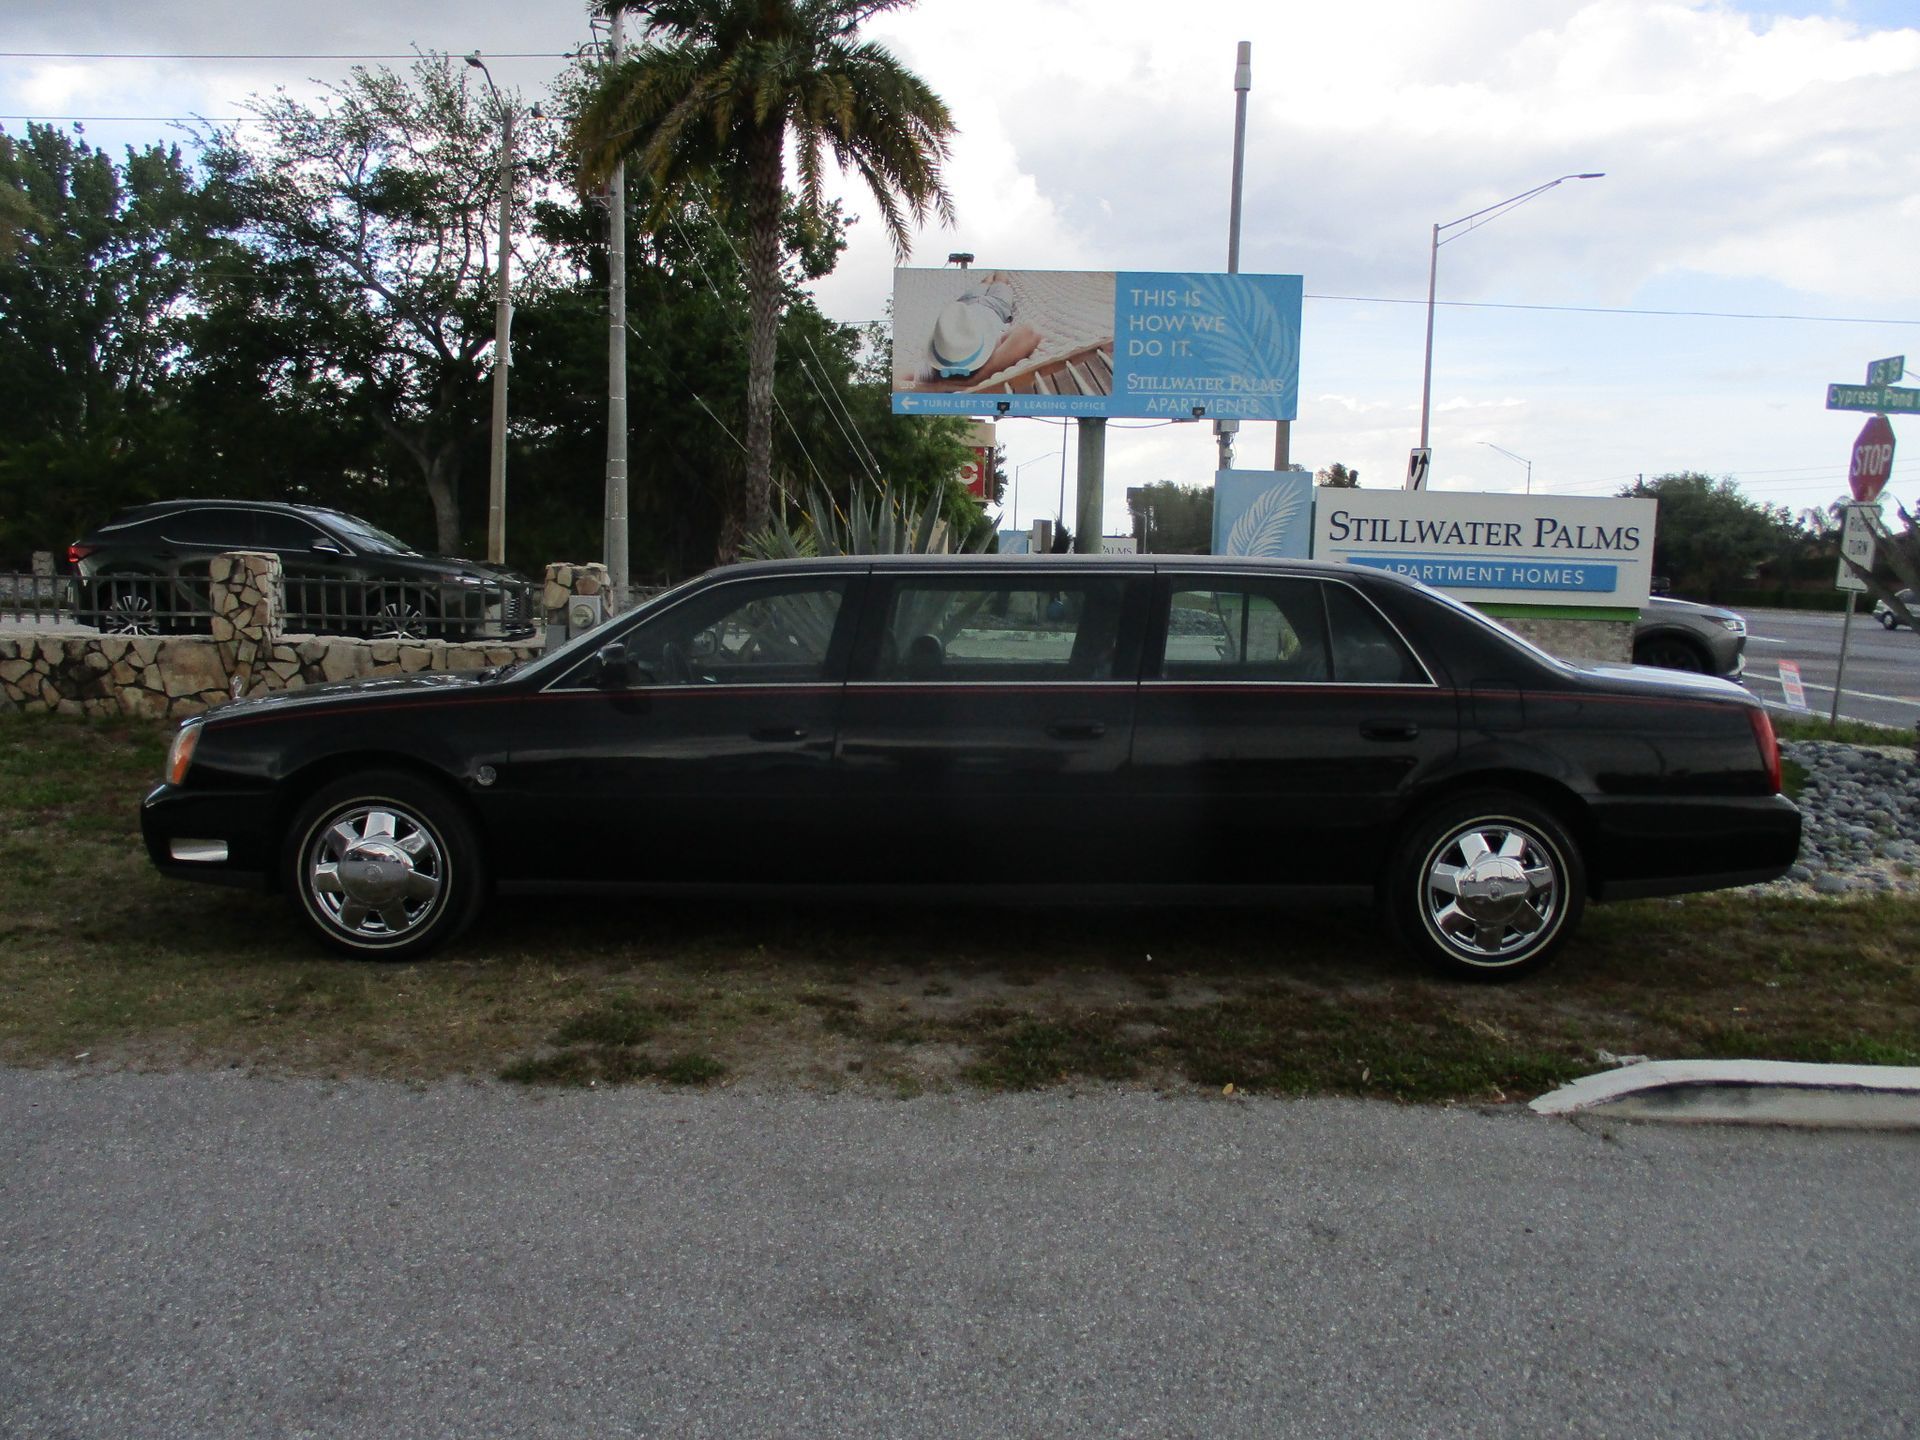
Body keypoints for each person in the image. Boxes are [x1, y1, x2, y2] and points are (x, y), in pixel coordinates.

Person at [921, 271, 1040, 385]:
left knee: (984, 282)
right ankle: (1000, 264)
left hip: (966, 304)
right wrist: (976, 380)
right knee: (1001, 281)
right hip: (996, 305)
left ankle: (990, 269)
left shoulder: (938, 359)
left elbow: (903, 379)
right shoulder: (994, 350)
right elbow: (1030, 332)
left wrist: (942, 386)